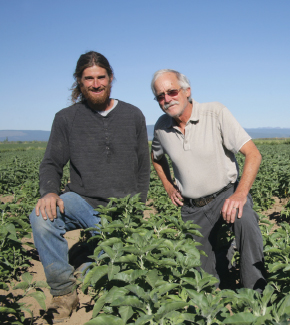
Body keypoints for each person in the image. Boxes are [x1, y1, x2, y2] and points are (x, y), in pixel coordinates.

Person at [29, 51, 150, 323]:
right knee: (40, 216)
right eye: (89, 78)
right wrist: (49, 191)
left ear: (110, 78)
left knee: (110, 270)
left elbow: (143, 166)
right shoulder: (66, 118)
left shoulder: (133, 115)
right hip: (81, 200)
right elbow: (51, 162)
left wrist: (138, 208)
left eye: (101, 77)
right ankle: (63, 292)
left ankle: (88, 262)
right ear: (79, 81)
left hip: (121, 210)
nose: (96, 84)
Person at [150, 69, 266, 292]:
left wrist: (240, 194)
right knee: (206, 279)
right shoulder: (161, 127)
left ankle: (257, 293)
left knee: (246, 222)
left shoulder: (215, 112)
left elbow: (254, 154)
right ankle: (224, 270)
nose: (167, 99)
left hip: (226, 196)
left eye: (172, 91)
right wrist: (167, 185)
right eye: (160, 96)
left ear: (186, 91)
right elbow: (156, 158)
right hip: (193, 209)